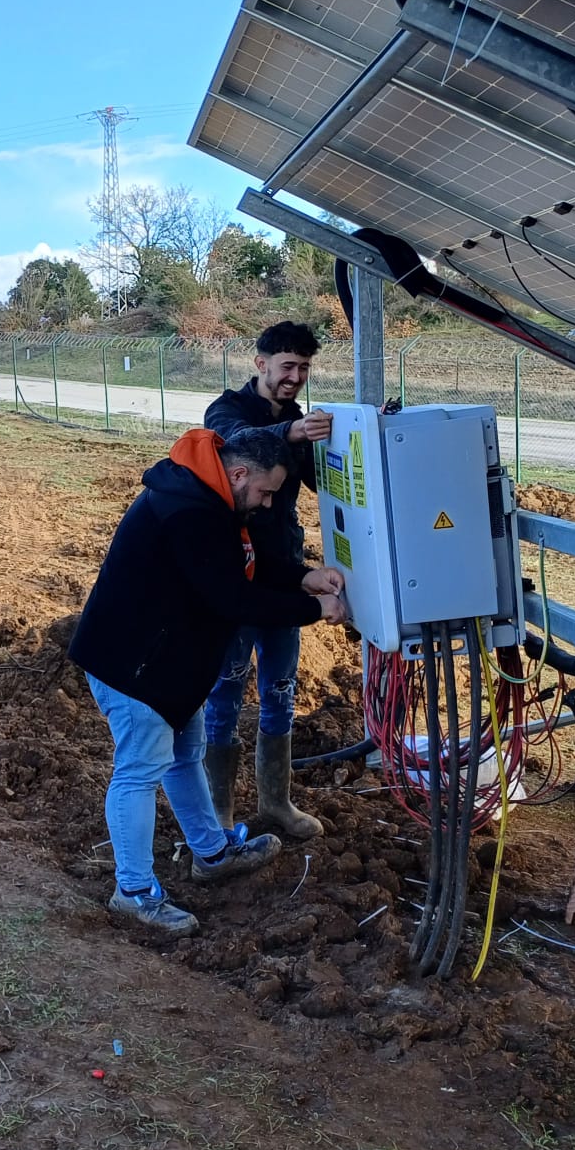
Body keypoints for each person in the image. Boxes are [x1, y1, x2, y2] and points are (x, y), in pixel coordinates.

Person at [69, 424, 348, 937]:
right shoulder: (191, 509)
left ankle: (213, 851)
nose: (266, 505)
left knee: (184, 753)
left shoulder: (208, 494)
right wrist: (313, 606)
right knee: (139, 770)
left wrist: (301, 575)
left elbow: (238, 565)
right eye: (265, 493)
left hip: (165, 661)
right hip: (134, 666)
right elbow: (232, 598)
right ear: (239, 473)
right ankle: (132, 891)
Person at [201, 321, 334, 844]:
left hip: (285, 567)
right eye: (287, 366)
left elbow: (325, 481)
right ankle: (218, 810)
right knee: (226, 689)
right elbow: (239, 444)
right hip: (235, 569)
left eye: (303, 368)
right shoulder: (226, 411)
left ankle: (276, 801)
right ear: (261, 364)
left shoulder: (302, 421)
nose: (295, 377)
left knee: (280, 688)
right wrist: (292, 435)